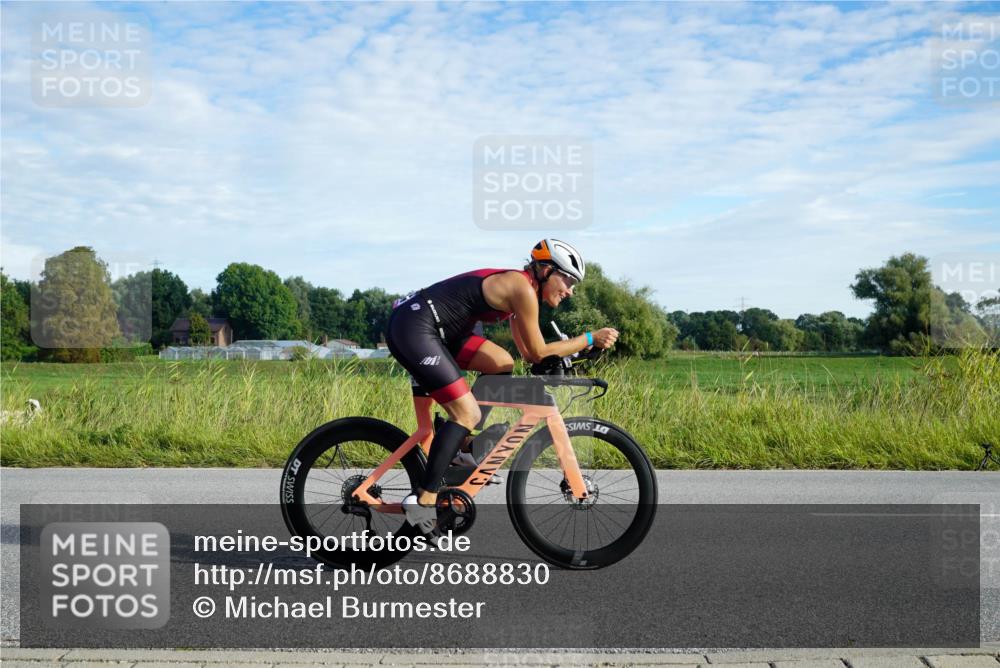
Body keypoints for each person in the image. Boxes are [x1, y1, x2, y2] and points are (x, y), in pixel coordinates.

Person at [384, 239, 619, 535]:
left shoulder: (523, 294)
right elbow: (538, 352)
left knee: (500, 363)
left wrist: (569, 355)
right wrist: (588, 338)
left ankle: (461, 447)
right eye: (568, 280)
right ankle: (425, 500)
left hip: (441, 331)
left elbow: (527, 356)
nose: (570, 291)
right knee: (465, 414)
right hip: (416, 327)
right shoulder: (521, 288)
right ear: (546, 270)